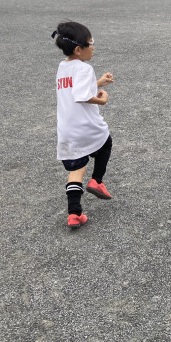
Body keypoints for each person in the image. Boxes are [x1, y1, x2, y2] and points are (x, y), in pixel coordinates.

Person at [52, 21, 114, 228]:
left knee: (77, 170)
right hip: (85, 127)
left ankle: (74, 213)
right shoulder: (85, 68)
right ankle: (97, 180)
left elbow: (74, 90)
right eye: (91, 43)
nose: (94, 47)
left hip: (67, 131)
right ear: (79, 49)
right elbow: (81, 95)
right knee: (106, 141)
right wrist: (102, 100)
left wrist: (97, 84)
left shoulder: (63, 67)